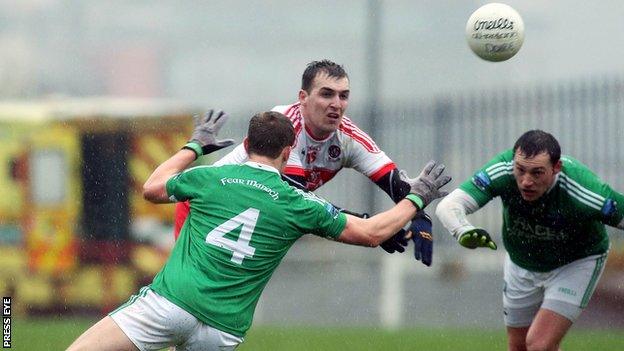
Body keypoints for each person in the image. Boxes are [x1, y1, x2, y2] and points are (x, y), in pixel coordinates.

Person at [67, 110, 451, 351]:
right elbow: (371, 233)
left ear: (247, 143)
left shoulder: (210, 178)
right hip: (221, 331)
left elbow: (152, 187)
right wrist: (416, 198)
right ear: (288, 152)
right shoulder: (300, 204)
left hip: (170, 305)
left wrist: (195, 146)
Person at [174, 59, 434, 265]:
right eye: (327, 94)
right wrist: (366, 225)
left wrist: (421, 217)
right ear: (303, 97)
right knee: (193, 296)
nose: (336, 104)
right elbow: (295, 197)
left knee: (214, 303)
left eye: (343, 96)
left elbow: (395, 184)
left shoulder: (350, 139)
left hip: (248, 212)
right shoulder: (283, 126)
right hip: (204, 207)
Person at [435, 130, 624, 351]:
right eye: (521, 170)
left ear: (556, 168)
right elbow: (448, 206)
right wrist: (462, 230)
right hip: (521, 262)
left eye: (537, 173)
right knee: (519, 347)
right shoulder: (503, 170)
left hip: (576, 263)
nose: (526, 181)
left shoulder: (585, 190)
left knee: (539, 344)